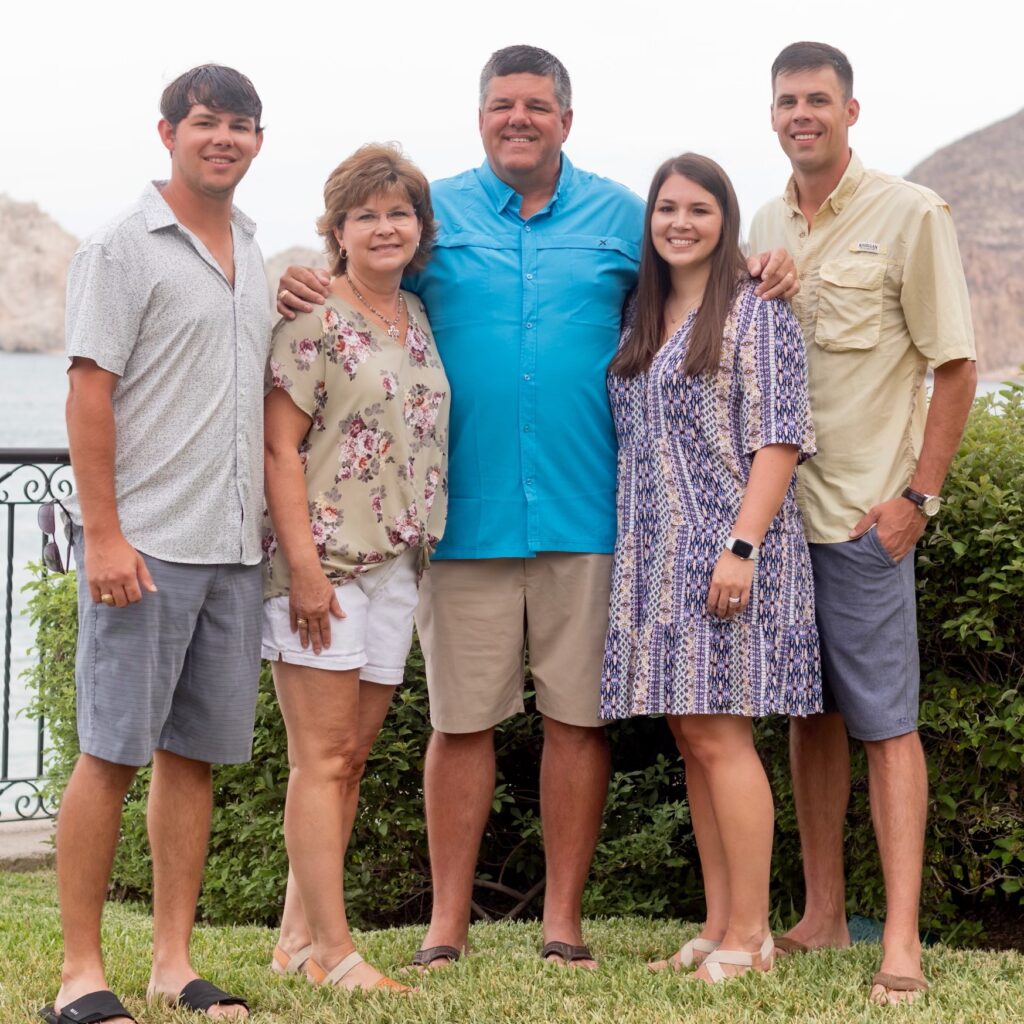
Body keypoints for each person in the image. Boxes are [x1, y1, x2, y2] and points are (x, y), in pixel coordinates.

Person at [276, 44, 799, 970]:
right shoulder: (430, 216)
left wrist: (765, 264)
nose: (518, 119)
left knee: (576, 723)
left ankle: (563, 924)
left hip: (589, 514)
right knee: (459, 723)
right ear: (481, 116)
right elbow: (364, 277)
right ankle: (445, 926)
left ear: (566, 118)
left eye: (536, 105)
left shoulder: (621, 215)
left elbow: (692, 265)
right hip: (463, 522)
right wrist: (299, 277)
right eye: (501, 105)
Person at [747, 41, 977, 1005]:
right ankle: (824, 914)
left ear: (850, 111)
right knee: (810, 718)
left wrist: (918, 499)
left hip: (861, 521)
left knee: (887, 728)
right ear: (772, 114)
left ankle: (904, 941)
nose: (801, 114)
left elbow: (955, 365)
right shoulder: (763, 224)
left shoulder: (910, 214)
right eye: (786, 101)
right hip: (781, 524)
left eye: (818, 99)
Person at [43, 66, 270, 1024]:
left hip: (234, 548)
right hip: (145, 546)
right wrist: (102, 535)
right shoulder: (120, 248)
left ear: (259, 140)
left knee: (192, 760)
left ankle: (173, 965)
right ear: (168, 131)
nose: (224, 138)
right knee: (111, 754)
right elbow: (87, 392)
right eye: (206, 122)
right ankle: (79, 975)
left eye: (241, 125)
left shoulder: (252, 247)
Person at [601, 153, 820, 984]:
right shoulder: (641, 312)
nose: (680, 223)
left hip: (729, 551)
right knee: (693, 738)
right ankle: (719, 922)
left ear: (726, 220)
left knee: (723, 738)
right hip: (655, 555)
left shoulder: (756, 309)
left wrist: (742, 547)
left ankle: (753, 936)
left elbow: (780, 437)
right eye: (667, 208)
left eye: (699, 209)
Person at [263, 144, 448, 994]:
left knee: (353, 757)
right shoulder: (312, 314)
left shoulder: (415, 312)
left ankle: (296, 941)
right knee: (322, 759)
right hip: (325, 566)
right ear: (337, 230)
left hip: (397, 562)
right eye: (364, 214)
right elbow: (279, 449)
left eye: (398, 212)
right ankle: (336, 955)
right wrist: (304, 572)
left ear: (420, 226)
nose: (383, 227)